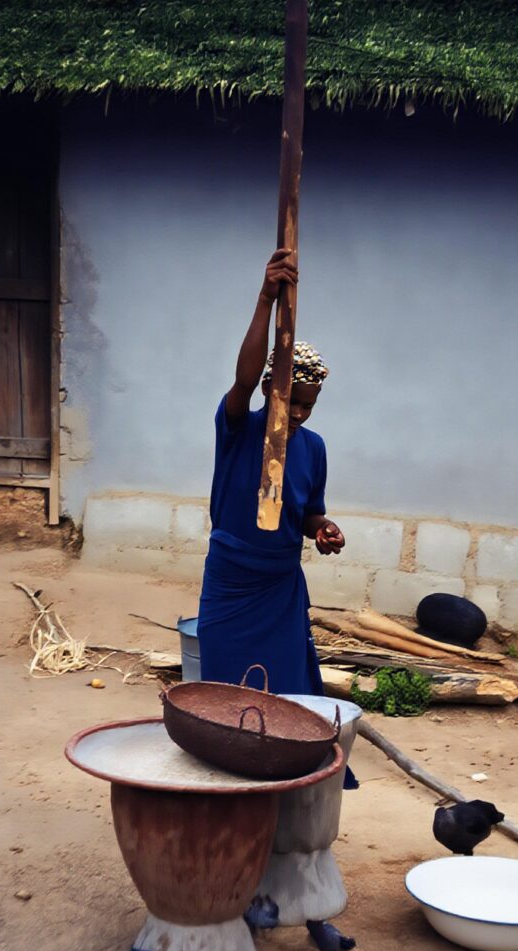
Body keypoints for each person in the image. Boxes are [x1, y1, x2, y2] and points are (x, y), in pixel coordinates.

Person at [197, 248, 346, 696]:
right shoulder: (239, 427)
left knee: (285, 690)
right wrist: (266, 298)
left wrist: (324, 529)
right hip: (232, 579)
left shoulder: (314, 449)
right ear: (269, 388)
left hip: (280, 584)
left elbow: (307, 514)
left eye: (308, 404)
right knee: (225, 688)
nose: (299, 412)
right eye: (291, 399)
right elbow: (241, 379)